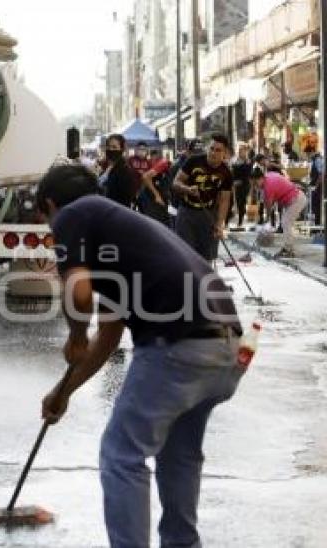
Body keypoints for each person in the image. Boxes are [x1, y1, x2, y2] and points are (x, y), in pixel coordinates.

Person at [36, 163, 242, 548]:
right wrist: (63, 392)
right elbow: (110, 336)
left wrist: (75, 334)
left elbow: (78, 296)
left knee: (121, 454)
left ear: (50, 205)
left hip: (178, 344)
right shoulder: (123, 234)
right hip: (226, 345)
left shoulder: (73, 215)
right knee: (178, 454)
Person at [172, 134, 233, 262]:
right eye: (211, 148)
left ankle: (206, 281)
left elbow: (224, 200)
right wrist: (188, 189)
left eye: (218, 150)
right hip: (186, 213)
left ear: (225, 153)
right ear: (207, 148)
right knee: (184, 255)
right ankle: (186, 281)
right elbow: (176, 183)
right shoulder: (193, 161)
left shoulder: (226, 172)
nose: (213, 153)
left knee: (207, 258)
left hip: (208, 215)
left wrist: (219, 224)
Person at [251, 167, 307, 258]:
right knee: (285, 222)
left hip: (297, 199)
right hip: (294, 198)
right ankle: (287, 248)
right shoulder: (269, 176)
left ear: (260, 178)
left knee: (285, 222)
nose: (255, 185)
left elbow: (269, 205)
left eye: (255, 183)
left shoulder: (268, 186)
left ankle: (289, 249)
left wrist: (267, 219)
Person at [101, 134, 136, 208]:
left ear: (122, 149)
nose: (111, 150)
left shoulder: (125, 171)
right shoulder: (106, 168)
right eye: (109, 147)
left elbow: (126, 198)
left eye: (114, 147)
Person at [140, 150, 172, 226]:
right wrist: (157, 195)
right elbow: (145, 177)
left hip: (153, 198)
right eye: (152, 158)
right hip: (152, 200)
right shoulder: (163, 163)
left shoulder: (153, 164)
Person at [230, 142, 253, 228]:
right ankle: (231, 220)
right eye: (238, 149)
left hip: (243, 185)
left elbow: (248, 175)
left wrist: (240, 181)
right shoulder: (233, 160)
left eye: (241, 150)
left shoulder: (247, 162)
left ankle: (240, 221)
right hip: (233, 185)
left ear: (245, 151)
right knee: (232, 202)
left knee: (241, 203)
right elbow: (230, 173)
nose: (239, 151)